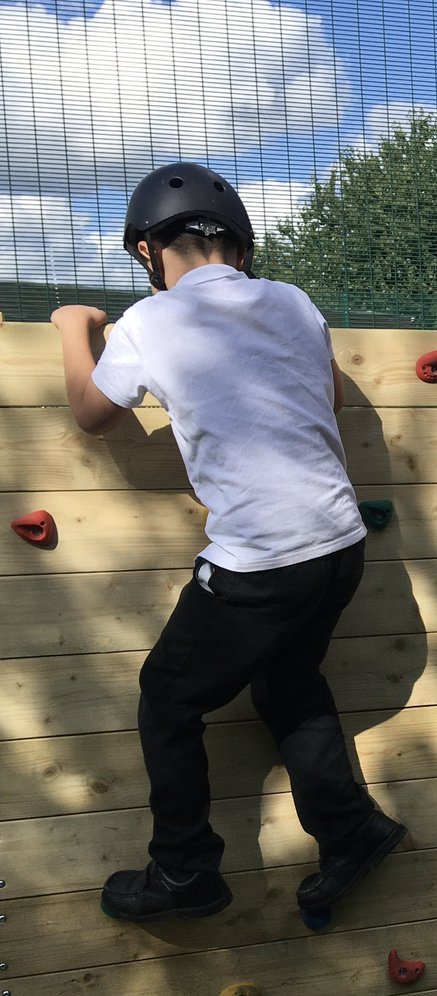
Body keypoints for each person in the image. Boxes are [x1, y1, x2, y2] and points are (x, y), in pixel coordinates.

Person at [50, 161, 406, 924]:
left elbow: (90, 412)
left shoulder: (150, 321)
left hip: (264, 560)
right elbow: (334, 393)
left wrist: (73, 329)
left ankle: (184, 872)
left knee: (167, 696)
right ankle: (350, 831)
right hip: (338, 544)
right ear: (242, 251)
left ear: (148, 253)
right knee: (286, 679)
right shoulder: (296, 302)